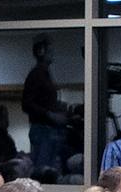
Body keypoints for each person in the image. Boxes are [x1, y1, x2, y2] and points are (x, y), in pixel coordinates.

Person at [22, 35, 70, 175]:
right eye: (49, 50)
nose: (53, 53)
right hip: (43, 130)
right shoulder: (36, 74)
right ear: (41, 51)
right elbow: (27, 103)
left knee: (49, 169)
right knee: (43, 171)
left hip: (48, 130)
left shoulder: (44, 73)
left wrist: (57, 108)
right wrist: (51, 115)